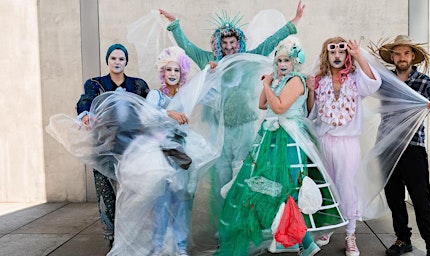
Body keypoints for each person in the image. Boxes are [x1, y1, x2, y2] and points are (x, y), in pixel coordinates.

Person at [158, 2, 306, 216]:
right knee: (221, 178)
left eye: (232, 42)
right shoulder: (209, 60)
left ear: (239, 43)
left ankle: (241, 223)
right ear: (218, 44)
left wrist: (294, 21)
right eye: (224, 43)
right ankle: (222, 225)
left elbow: (271, 41)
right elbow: (188, 47)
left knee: (243, 176)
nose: (229, 47)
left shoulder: (248, 58)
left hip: (245, 126)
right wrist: (175, 25)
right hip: (219, 129)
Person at [216, 36, 347, 256]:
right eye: (279, 60)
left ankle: (304, 242)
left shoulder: (295, 80)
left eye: (286, 60)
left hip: (289, 137)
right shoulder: (280, 80)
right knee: (273, 186)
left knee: (289, 188)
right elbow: (262, 104)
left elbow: (278, 107)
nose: (282, 64)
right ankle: (294, 240)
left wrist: (267, 84)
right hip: (273, 136)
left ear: (295, 62)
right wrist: (270, 83)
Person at [306, 36, 382, 256]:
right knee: (327, 187)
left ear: (347, 55)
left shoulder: (355, 79)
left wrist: (359, 54)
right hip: (324, 141)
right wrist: (311, 90)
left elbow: (374, 82)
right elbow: (311, 113)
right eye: (333, 52)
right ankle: (328, 228)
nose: (337, 56)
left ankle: (350, 234)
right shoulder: (320, 79)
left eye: (341, 52)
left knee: (348, 188)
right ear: (326, 55)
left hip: (348, 144)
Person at [377, 35, 430, 256]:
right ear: (392, 57)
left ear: (412, 56)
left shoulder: (425, 82)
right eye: (398, 53)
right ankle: (402, 239)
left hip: (413, 147)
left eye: (406, 53)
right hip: (387, 147)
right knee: (394, 197)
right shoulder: (384, 80)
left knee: (420, 198)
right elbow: (362, 84)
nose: (402, 57)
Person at [75, 43, 149, 246]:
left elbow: (149, 109)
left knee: (133, 190)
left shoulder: (138, 84)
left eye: (121, 59)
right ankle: (113, 238)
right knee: (106, 192)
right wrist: (85, 115)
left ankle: (132, 234)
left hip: (131, 146)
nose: (117, 62)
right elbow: (85, 101)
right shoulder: (95, 84)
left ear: (126, 62)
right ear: (107, 60)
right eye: (113, 58)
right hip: (103, 147)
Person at [146, 46, 193, 256]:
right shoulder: (155, 95)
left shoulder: (184, 96)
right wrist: (169, 113)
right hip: (160, 156)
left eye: (176, 70)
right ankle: (158, 248)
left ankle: (181, 247)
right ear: (162, 73)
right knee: (161, 203)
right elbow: (147, 117)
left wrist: (212, 70)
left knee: (180, 202)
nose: (172, 74)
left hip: (179, 154)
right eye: (168, 70)